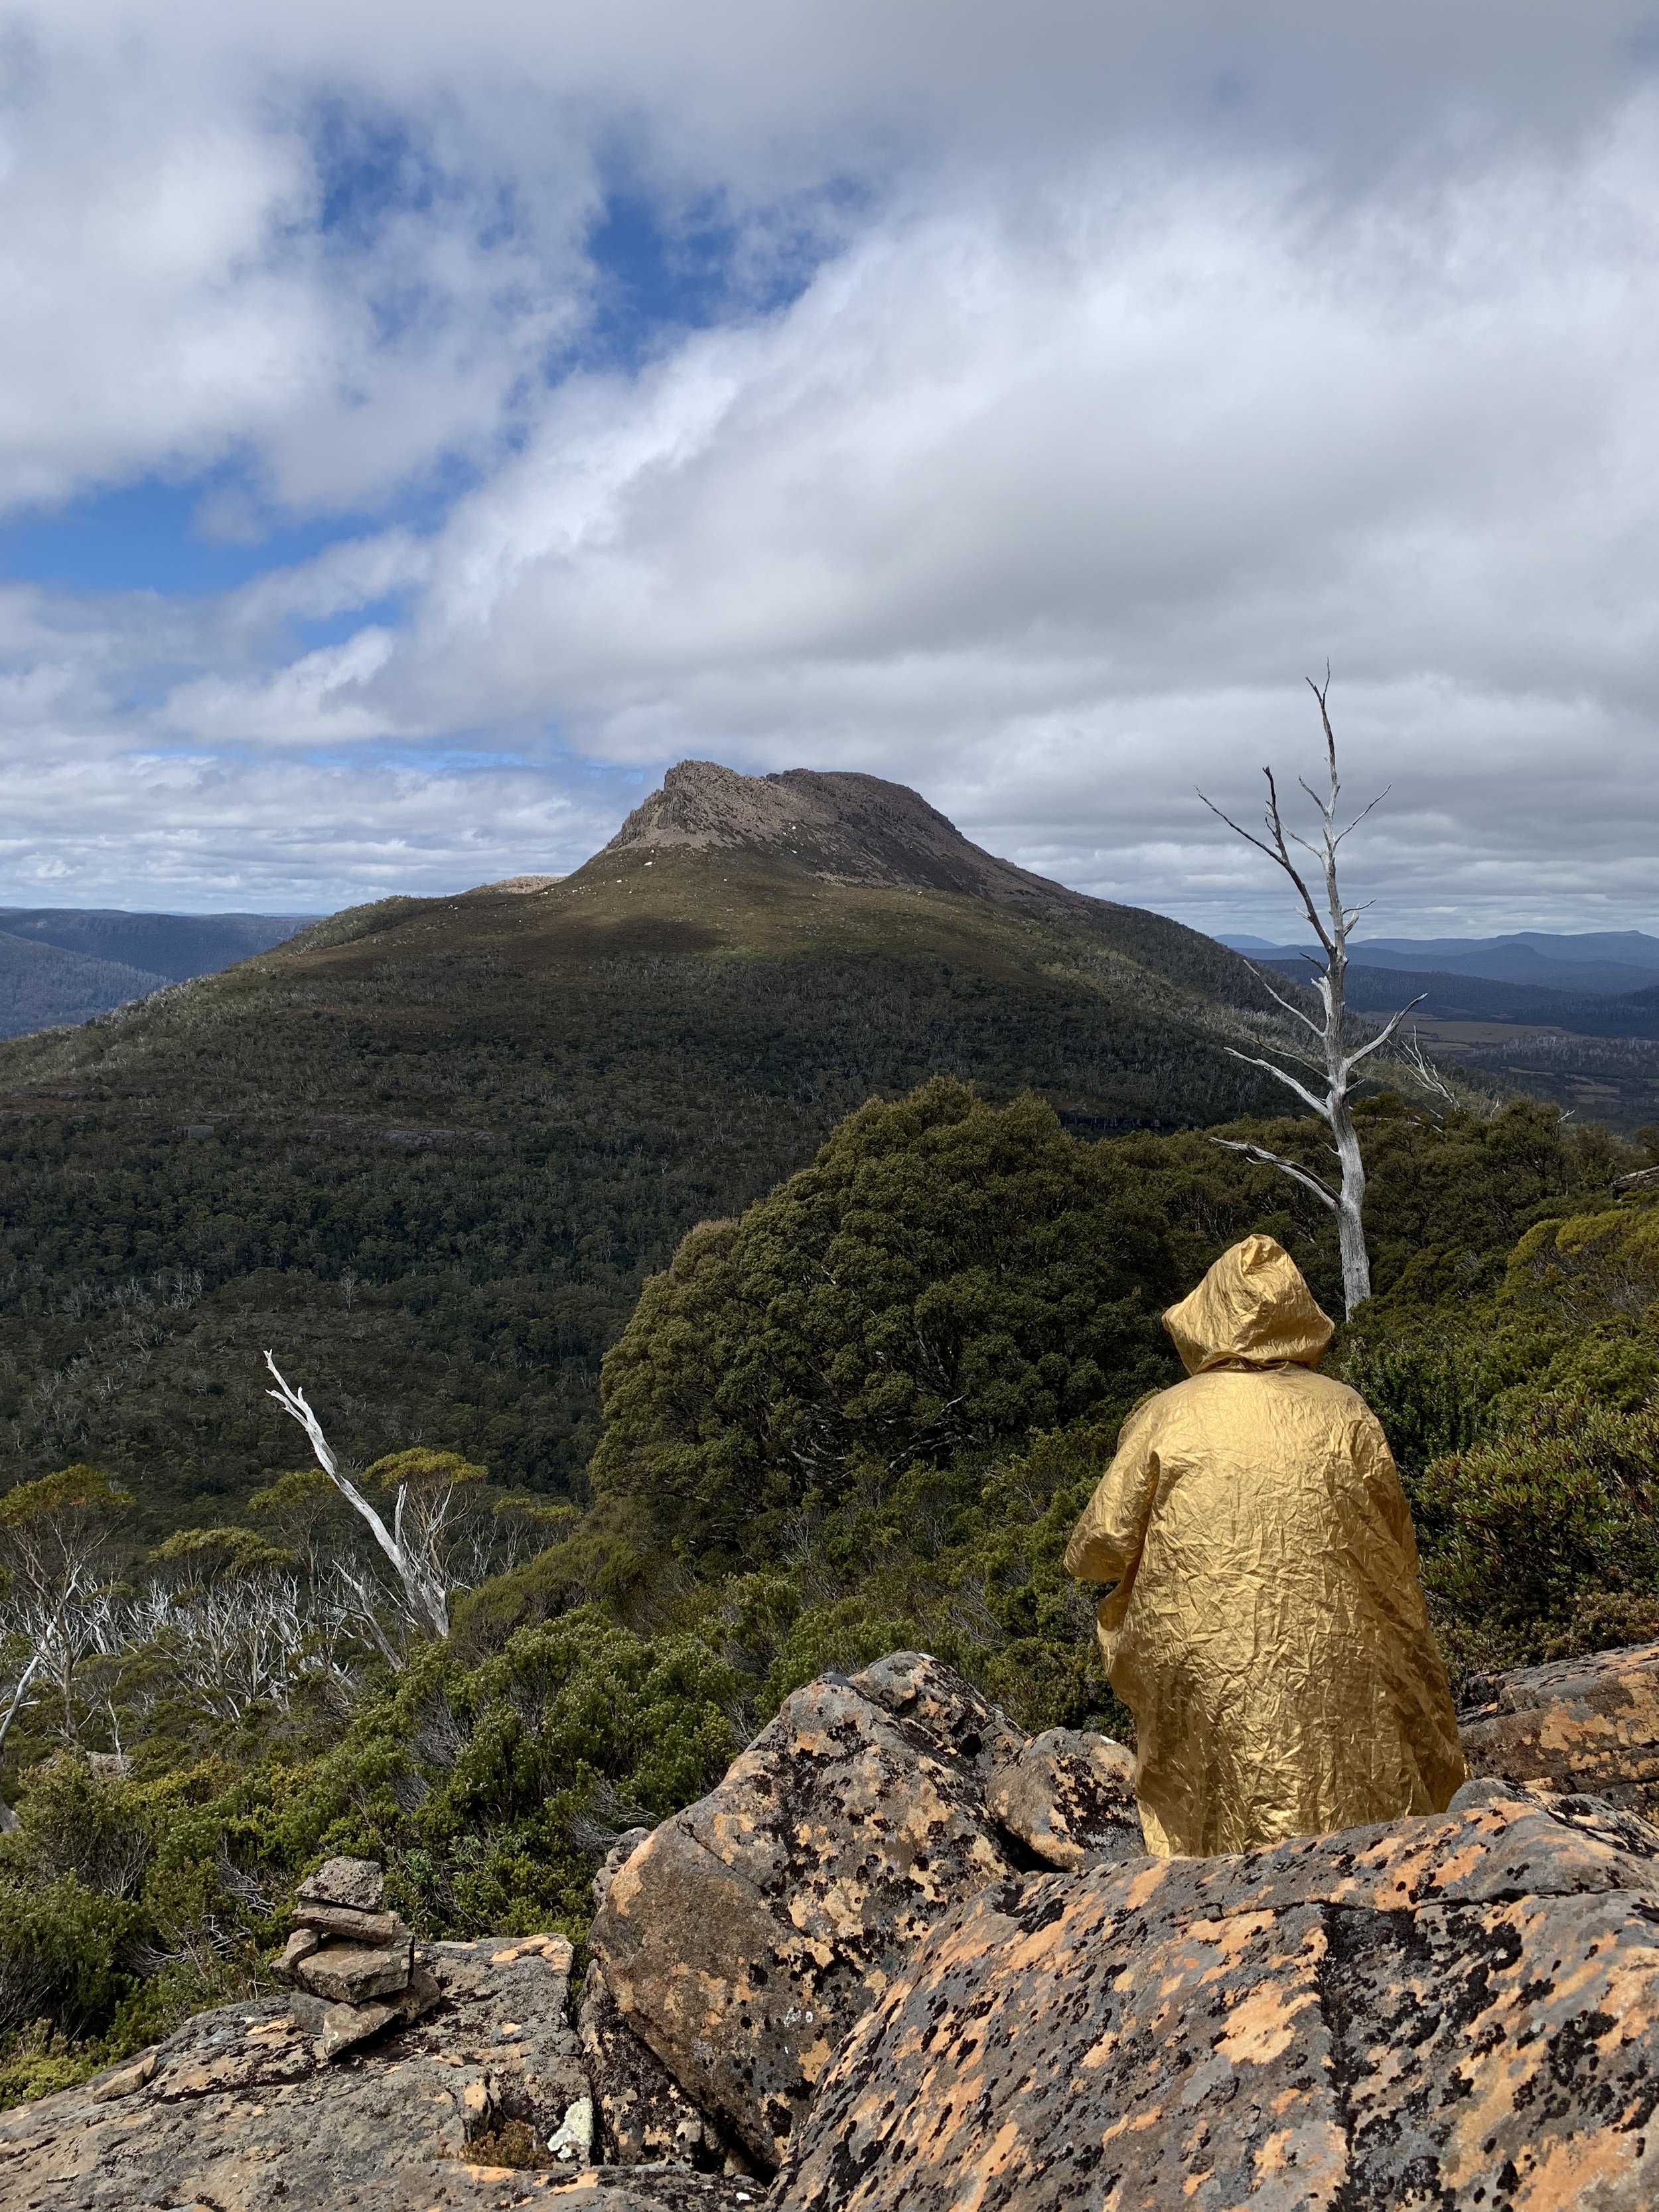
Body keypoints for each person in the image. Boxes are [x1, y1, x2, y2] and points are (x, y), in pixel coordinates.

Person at [1064, 1232, 1464, 1858]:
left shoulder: (1168, 1415)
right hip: (1345, 1638)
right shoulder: (1345, 1409)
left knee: (1221, 1773)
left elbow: (1098, 1550)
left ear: (1209, 1313)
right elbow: (1395, 1538)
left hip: (1207, 1652)